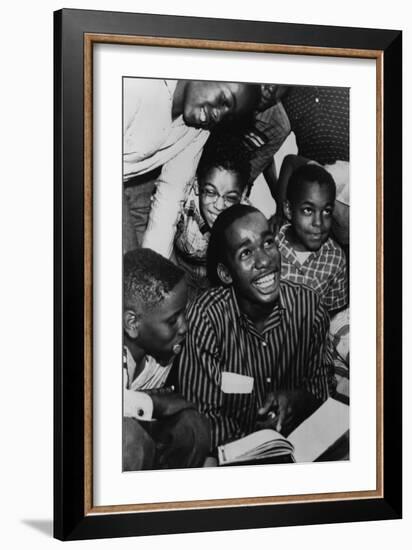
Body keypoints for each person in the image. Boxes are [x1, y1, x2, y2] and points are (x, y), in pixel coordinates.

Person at [177, 204, 334, 451]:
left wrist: (298, 399)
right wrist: (255, 438)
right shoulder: (206, 319)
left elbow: (322, 391)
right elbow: (199, 418)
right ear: (226, 274)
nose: (264, 260)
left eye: (268, 243)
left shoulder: (309, 308)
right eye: (246, 253)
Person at [123, 78, 262, 257]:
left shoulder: (198, 131)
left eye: (228, 116)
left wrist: (155, 267)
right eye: (224, 100)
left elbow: (170, 197)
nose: (218, 116)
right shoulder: (141, 84)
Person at [123, 248, 210, 470]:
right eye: (172, 321)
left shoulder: (162, 351)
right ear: (132, 323)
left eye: (184, 314)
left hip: (146, 440)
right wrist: (155, 403)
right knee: (129, 440)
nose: (184, 327)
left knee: (191, 426)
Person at [173, 134, 250, 297]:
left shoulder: (246, 221)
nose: (219, 206)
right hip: (177, 267)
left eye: (230, 198)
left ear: (242, 195)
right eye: (210, 192)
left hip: (216, 280)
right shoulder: (180, 202)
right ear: (196, 185)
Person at [276, 163, 348, 313]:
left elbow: (334, 314)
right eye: (308, 210)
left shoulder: (335, 257)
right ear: (289, 210)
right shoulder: (268, 247)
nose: (318, 223)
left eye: (326, 211)